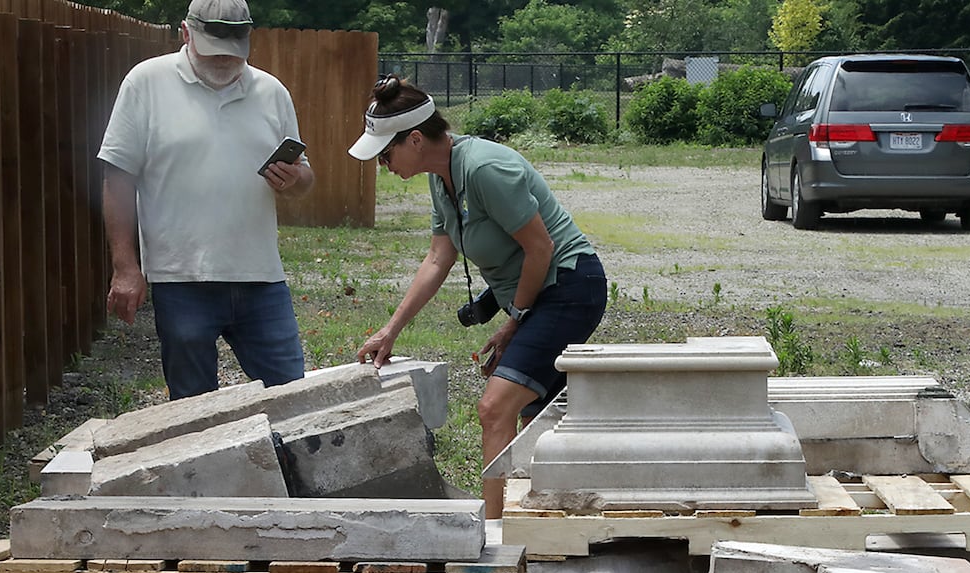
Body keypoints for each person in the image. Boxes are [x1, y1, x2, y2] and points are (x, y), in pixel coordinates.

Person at [349, 75, 607, 519]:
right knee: (538, 415)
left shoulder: (485, 168)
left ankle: (494, 534)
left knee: (494, 407)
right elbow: (437, 259)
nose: (383, 165)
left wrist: (515, 320)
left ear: (414, 140)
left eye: (385, 154)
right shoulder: (440, 177)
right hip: (537, 295)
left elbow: (541, 248)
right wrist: (389, 331)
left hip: (569, 286)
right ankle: (545, 514)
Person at [98, 0, 314, 400]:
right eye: (212, 50)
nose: (223, 61)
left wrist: (295, 179)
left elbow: (305, 177)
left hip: (261, 278)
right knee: (193, 410)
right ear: (185, 33)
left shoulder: (271, 92)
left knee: (293, 399)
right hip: (181, 279)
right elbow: (118, 177)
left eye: (232, 52)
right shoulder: (145, 83)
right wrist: (125, 268)